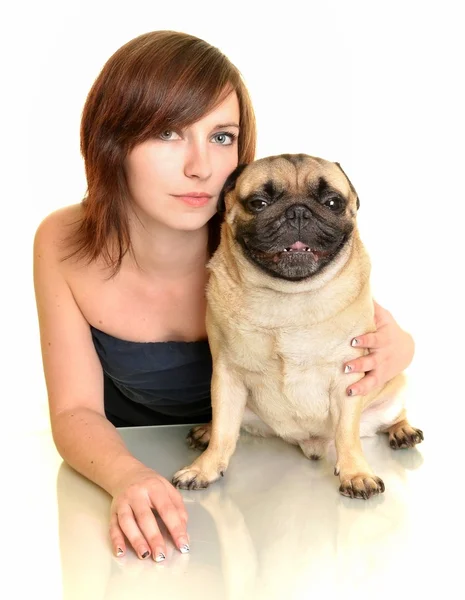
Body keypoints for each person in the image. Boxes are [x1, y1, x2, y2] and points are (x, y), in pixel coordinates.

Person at [33, 30, 415, 563]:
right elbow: (74, 409)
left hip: (272, 479)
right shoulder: (65, 242)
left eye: (222, 136)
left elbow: (356, 325)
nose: (200, 167)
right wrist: (128, 478)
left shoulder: (265, 227)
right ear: (111, 140)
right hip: (124, 478)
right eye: (168, 133)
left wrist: (399, 349)